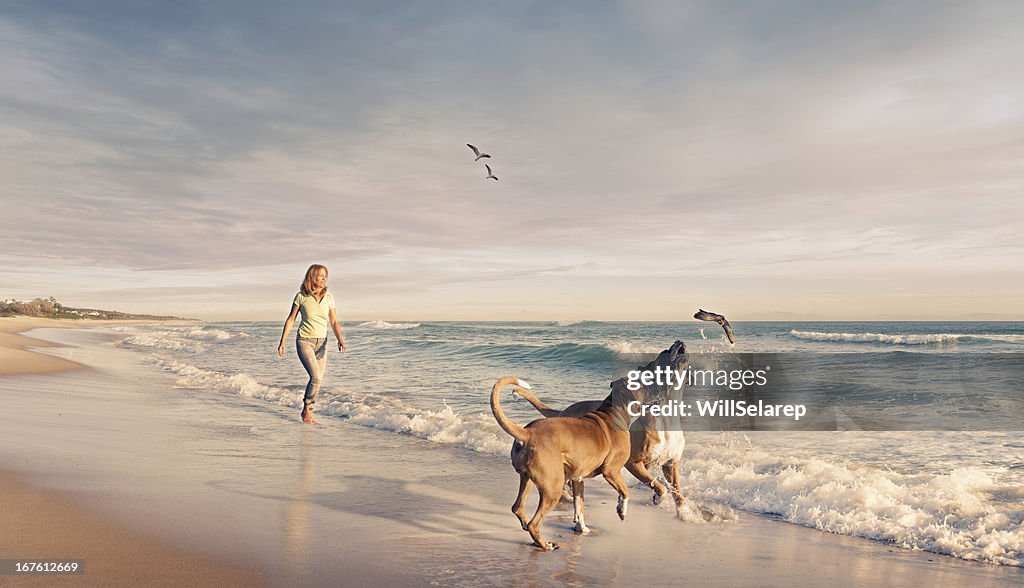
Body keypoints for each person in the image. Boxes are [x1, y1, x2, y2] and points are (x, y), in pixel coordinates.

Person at [278, 264, 346, 424]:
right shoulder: (301, 296)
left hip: (322, 343)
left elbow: (334, 321)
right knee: (315, 376)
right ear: (312, 277)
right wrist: (282, 342)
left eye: (325, 276)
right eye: (321, 276)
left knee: (319, 379)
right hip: (304, 341)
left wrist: (340, 339)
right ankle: (307, 410)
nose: (324, 279)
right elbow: (291, 319)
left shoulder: (329, 297)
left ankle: (306, 409)